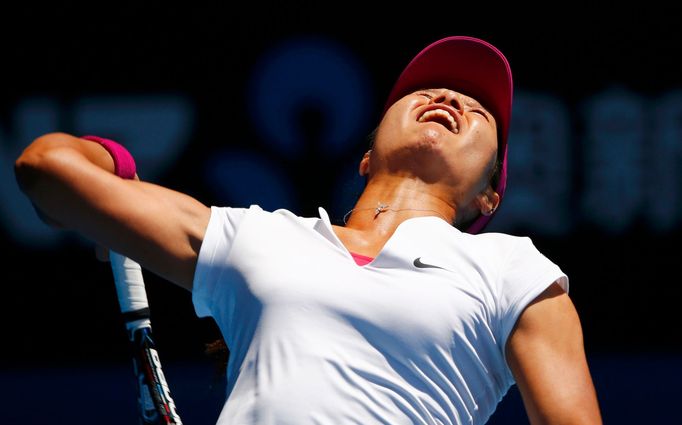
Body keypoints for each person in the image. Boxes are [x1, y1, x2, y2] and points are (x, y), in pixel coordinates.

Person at [14, 35, 602, 424]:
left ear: (489, 196)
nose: (450, 97)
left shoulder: (514, 270)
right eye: (424, 90)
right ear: (366, 157)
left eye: (480, 109)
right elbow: (45, 171)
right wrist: (110, 160)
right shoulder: (257, 238)